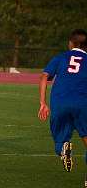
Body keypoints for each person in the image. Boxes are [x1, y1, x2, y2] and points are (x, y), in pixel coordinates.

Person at [38, 29, 87, 186]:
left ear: (71, 43)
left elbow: (44, 76)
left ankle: (63, 148)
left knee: (60, 139)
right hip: (82, 104)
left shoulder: (60, 57)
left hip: (59, 103)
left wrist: (43, 103)